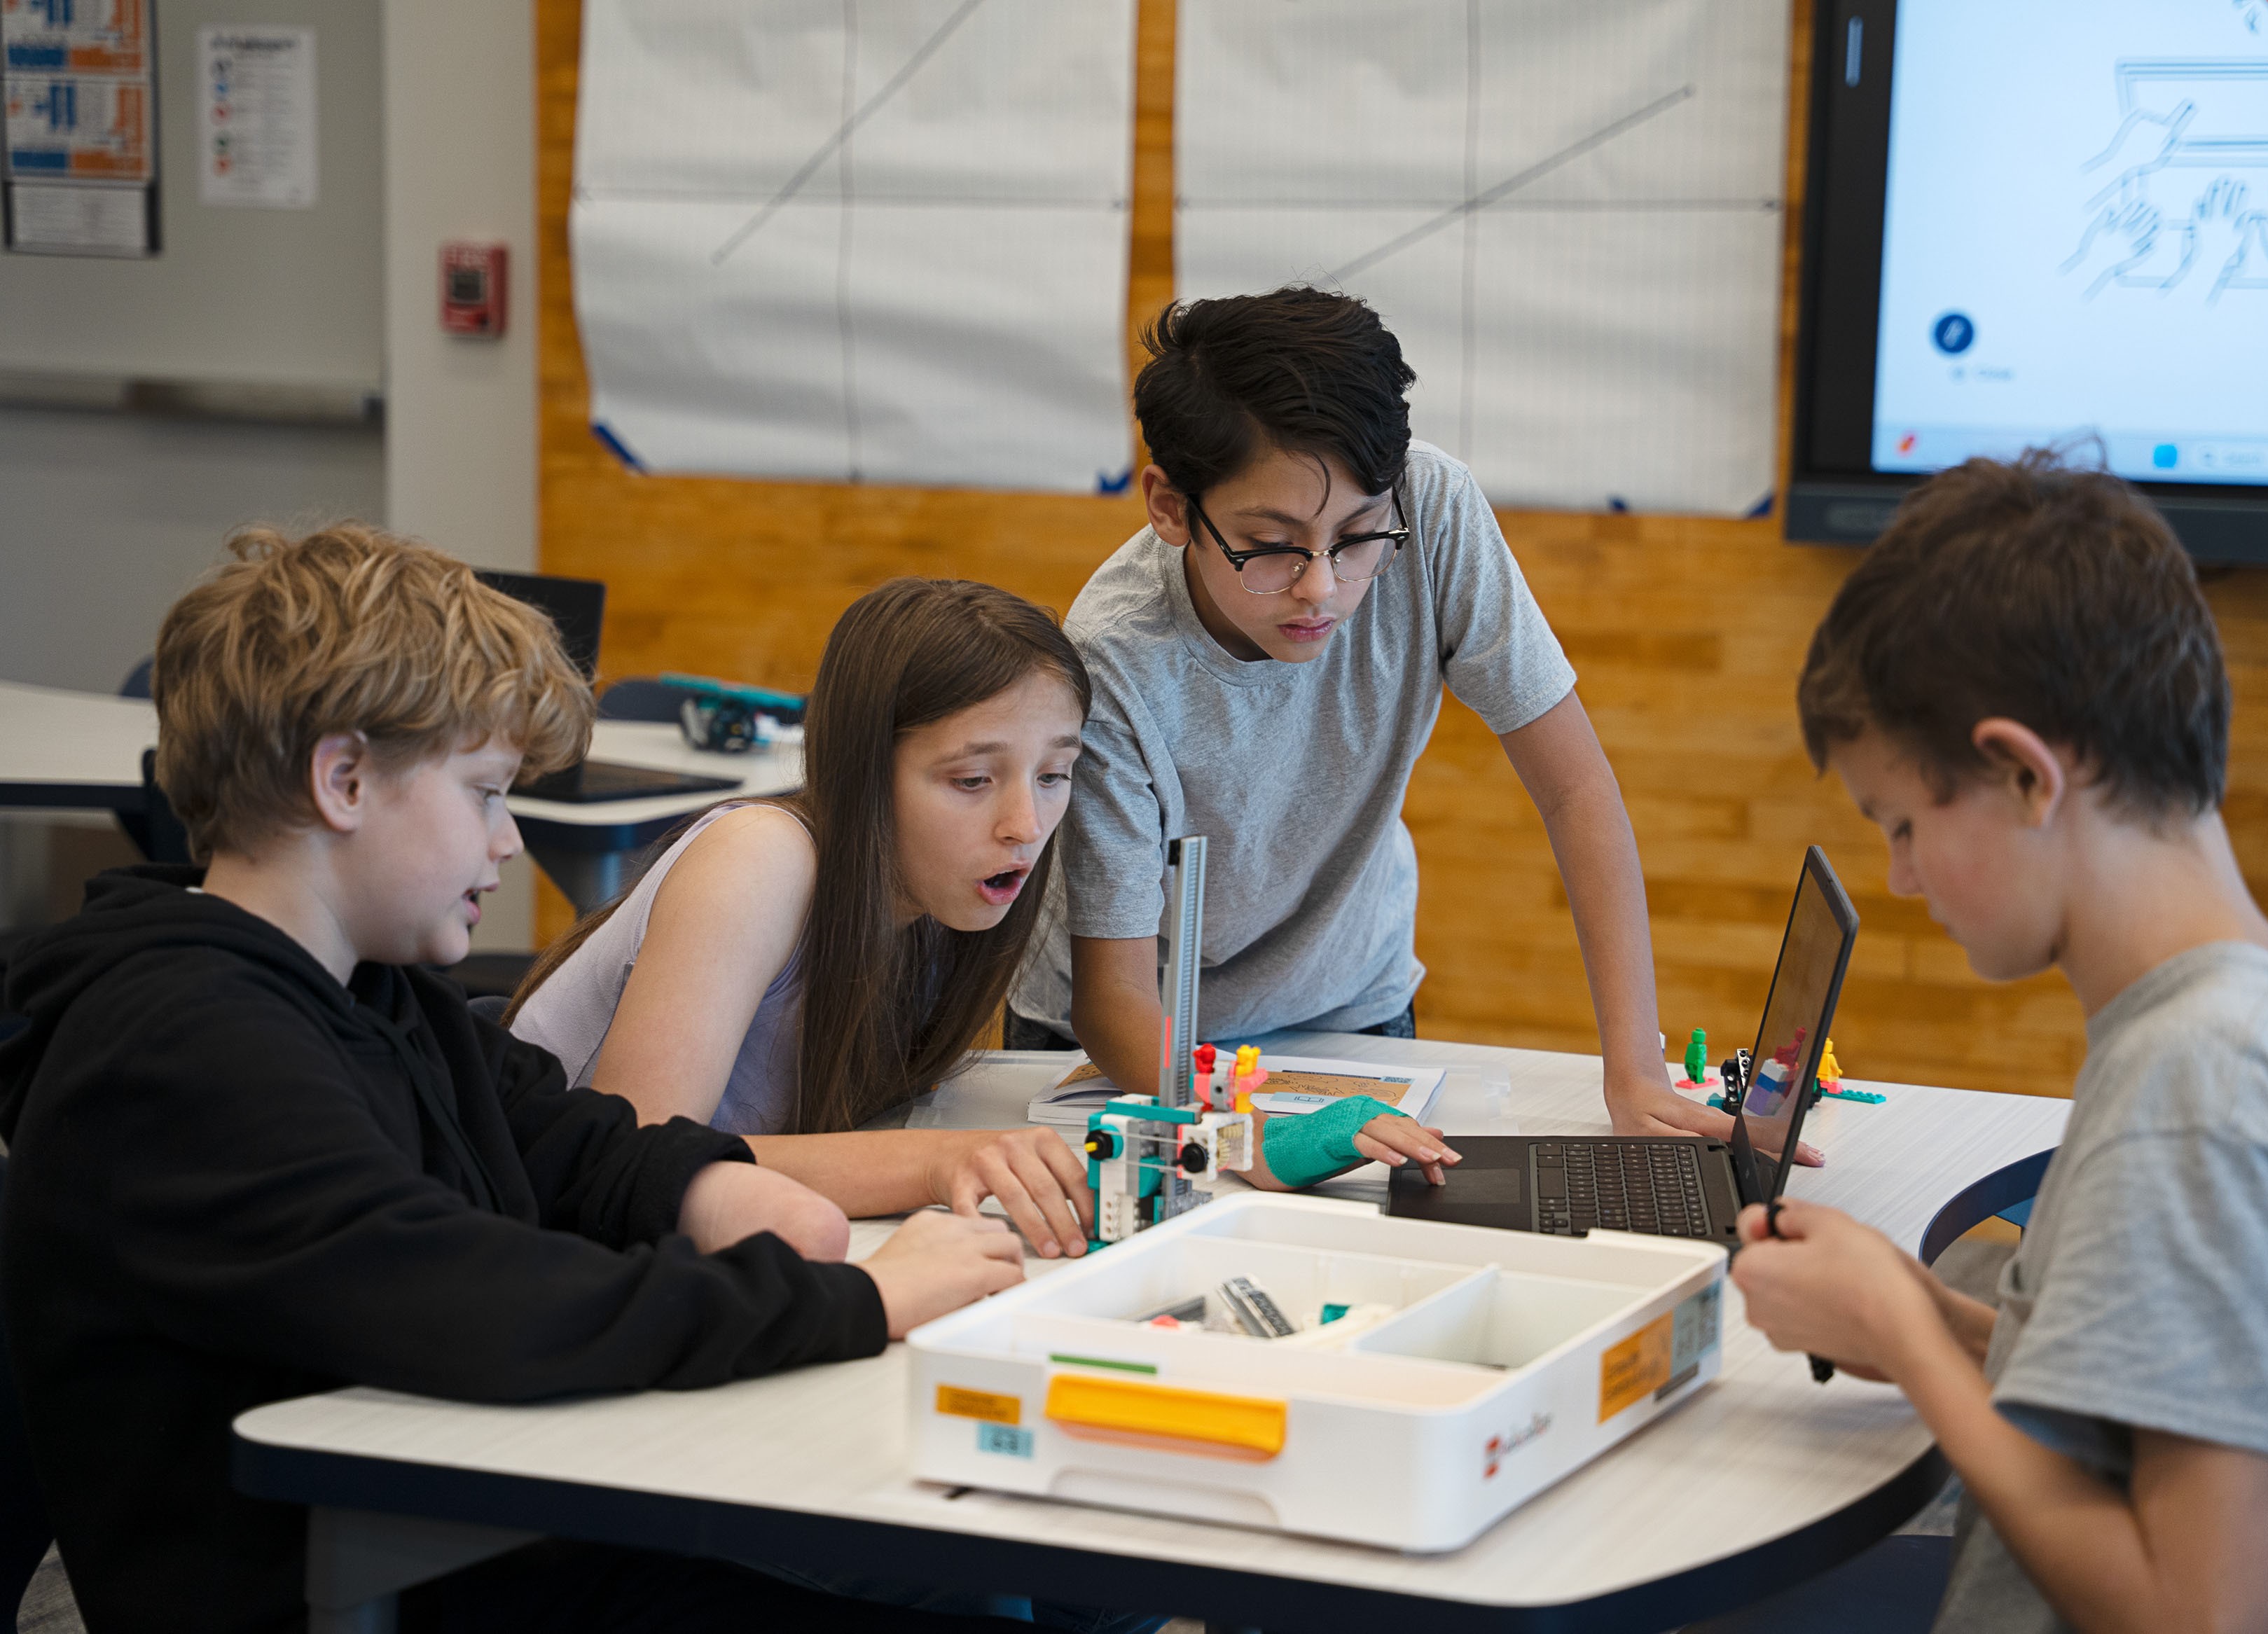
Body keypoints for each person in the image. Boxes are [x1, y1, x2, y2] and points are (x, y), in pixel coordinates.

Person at [0, 526, 1027, 1634]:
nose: (507, 843)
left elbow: (565, 1134)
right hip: (351, 1587)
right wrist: (856, 1302)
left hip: (475, 1535)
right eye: (487, 793)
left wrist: (702, 1183)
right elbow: (471, 1300)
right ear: (343, 779)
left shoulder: (375, 986)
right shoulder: (182, 1044)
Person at [1729, 452, 2268, 1634]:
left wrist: (1910, 1343)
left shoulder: (2200, 1090)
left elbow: (2205, 1614)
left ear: (2025, 774)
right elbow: (2172, 1407)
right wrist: (1927, 1313)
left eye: (1904, 824)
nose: (1901, 878)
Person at [1007, 286, 1739, 1156]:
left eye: (1357, 537)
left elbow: (1576, 791)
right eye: (1270, 546)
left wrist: (1636, 1071)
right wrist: (1266, 1134)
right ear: (1169, 506)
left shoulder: (1430, 508)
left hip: (1345, 1007)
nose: (1320, 587)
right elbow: (1115, 998)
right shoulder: (1112, 658)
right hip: (1133, 1041)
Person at [509, 576, 1457, 1231]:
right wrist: (943, 1162)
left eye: (1054, 775)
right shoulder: (761, 857)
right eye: (971, 780)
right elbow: (636, 1161)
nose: (1024, 824)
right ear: (864, 769)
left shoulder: (946, 903)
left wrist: (1241, 1141)